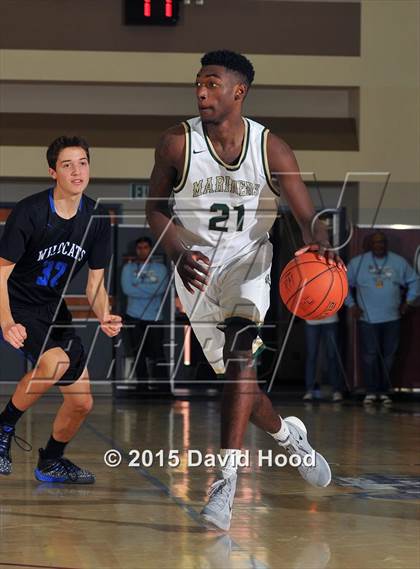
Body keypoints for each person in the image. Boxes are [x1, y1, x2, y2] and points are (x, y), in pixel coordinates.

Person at [146, 50, 344, 531]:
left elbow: (305, 216)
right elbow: (154, 208)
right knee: (243, 387)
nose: (201, 92)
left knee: (241, 357)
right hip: (194, 272)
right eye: (198, 84)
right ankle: (288, 435)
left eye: (212, 84)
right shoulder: (177, 143)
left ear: (239, 91)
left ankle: (224, 483)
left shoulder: (271, 148)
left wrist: (324, 242)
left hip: (249, 265)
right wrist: (175, 250)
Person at [0, 135, 122, 482]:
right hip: (17, 302)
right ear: (53, 172)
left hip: (53, 308)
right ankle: (4, 426)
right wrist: (6, 321)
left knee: (81, 402)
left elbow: (95, 284)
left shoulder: (97, 218)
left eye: (83, 162)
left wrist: (104, 315)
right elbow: (0, 273)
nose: (77, 171)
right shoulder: (31, 212)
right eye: (67, 165)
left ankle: (50, 461)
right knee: (55, 361)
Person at [345, 231, 419, 405]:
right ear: (370, 244)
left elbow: (416, 281)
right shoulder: (358, 263)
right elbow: (343, 284)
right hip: (367, 319)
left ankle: (384, 391)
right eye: (376, 242)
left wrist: (408, 303)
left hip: (392, 318)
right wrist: (351, 305)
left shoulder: (398, 262)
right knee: (370, 356)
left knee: (389, 357)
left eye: (382, 242)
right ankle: (371, 391)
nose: (380, 245)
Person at [121, 236, 168, 390]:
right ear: (136, 250)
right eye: (139, 248)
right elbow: (127, 289)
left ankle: (163, 388)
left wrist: (138, 287)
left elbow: (160, 289)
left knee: (158, 353)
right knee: (138, 354)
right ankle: (142, 387)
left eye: (145, 247)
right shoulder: (128, 269)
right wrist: (149, 290)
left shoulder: (160, 269)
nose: (142, 251)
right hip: (133, 316)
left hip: (154, 317)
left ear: (151, 249)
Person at [303, 314, 345, 402]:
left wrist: (351, 304)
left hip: (331, 319)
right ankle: (309, 390)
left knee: (332, 356)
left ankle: (336, 390)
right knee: (311, 356)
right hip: (311, 319)